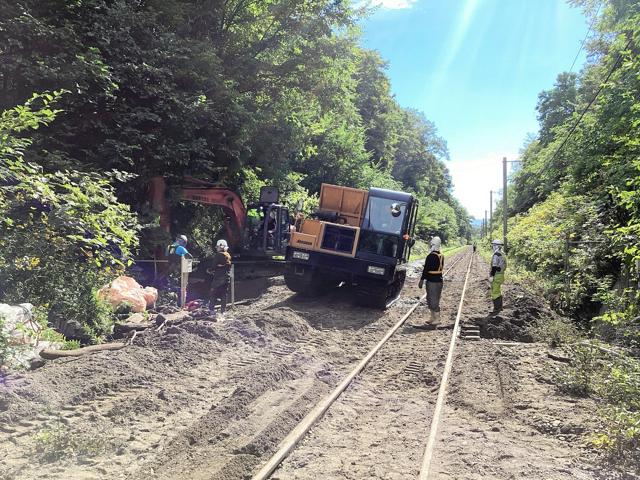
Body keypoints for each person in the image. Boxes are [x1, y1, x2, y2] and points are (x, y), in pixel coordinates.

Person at [418, 236, 444, 326]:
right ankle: (433, 317)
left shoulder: (431, 256)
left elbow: (426, 269)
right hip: (438, 280)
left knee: (432, 300)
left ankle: (437, 318)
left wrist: (421, 280)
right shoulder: (441, 255)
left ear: (433, 244)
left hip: (432, 281)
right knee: (432, 298)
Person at [207, 239, 232, 319]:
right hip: (226, 278)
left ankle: (211, 310)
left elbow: (214, 266)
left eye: (217, 247)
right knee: (224, 294)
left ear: (221, 247)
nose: (217, 248)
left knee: (213, 293)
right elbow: (227, 266)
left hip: (218, 278)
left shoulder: (218, 255)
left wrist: (209, 270)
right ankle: (223, 311)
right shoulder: (228, 255)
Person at [489, 239, 507, 316]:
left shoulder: (496, 255)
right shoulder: (502, 254)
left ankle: (496, 309)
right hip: (501, 275)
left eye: (493, 245)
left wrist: (492, 276)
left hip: (496, 275)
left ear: (496, 246)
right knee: (498, 291)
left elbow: (494, 266)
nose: (492, 247)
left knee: (495, 292)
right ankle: (500, 307)